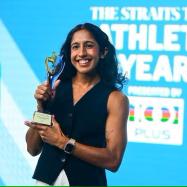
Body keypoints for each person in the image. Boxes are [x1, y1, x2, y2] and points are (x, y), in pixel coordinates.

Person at [24, 23, 129, 186]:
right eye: (75, 47)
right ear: (69, 53)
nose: (81, 53)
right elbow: (32, 149)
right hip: (45, 181)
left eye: (89, 46)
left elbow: (113, 160)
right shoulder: (55, 89)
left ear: (103, 52)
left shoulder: (115, 99)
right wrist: (41, 107)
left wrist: (63, 142)